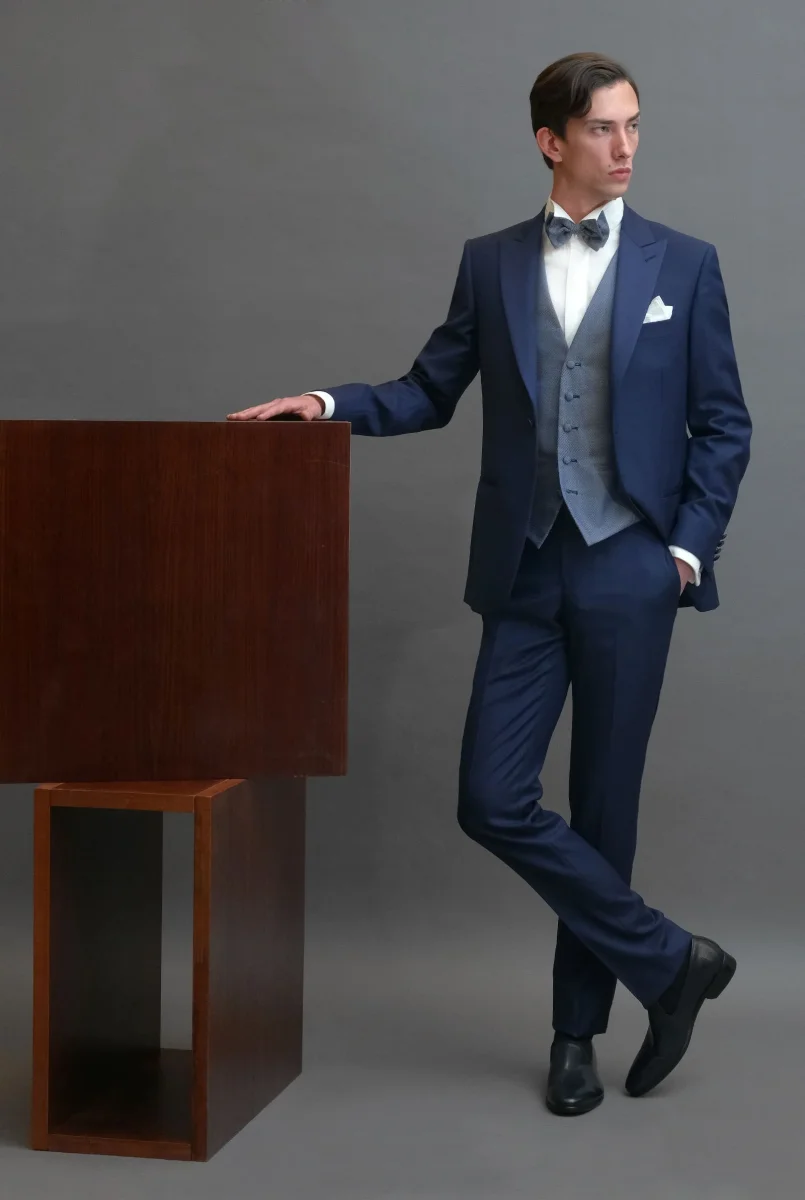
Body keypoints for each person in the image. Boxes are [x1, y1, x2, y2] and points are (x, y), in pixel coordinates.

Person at [227, 52, 751, 1117]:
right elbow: (429, 390)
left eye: (633, 125)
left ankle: (574, 1038)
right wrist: (326, 406)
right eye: (601, 129)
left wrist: (684, 553)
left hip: (630, 567)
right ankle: (671, 962)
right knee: (491, 798)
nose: (625, 147)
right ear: (550, 141)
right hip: (525, 568)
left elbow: (723, 424)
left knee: (604, 810)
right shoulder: (491, 263)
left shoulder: (685, 265)